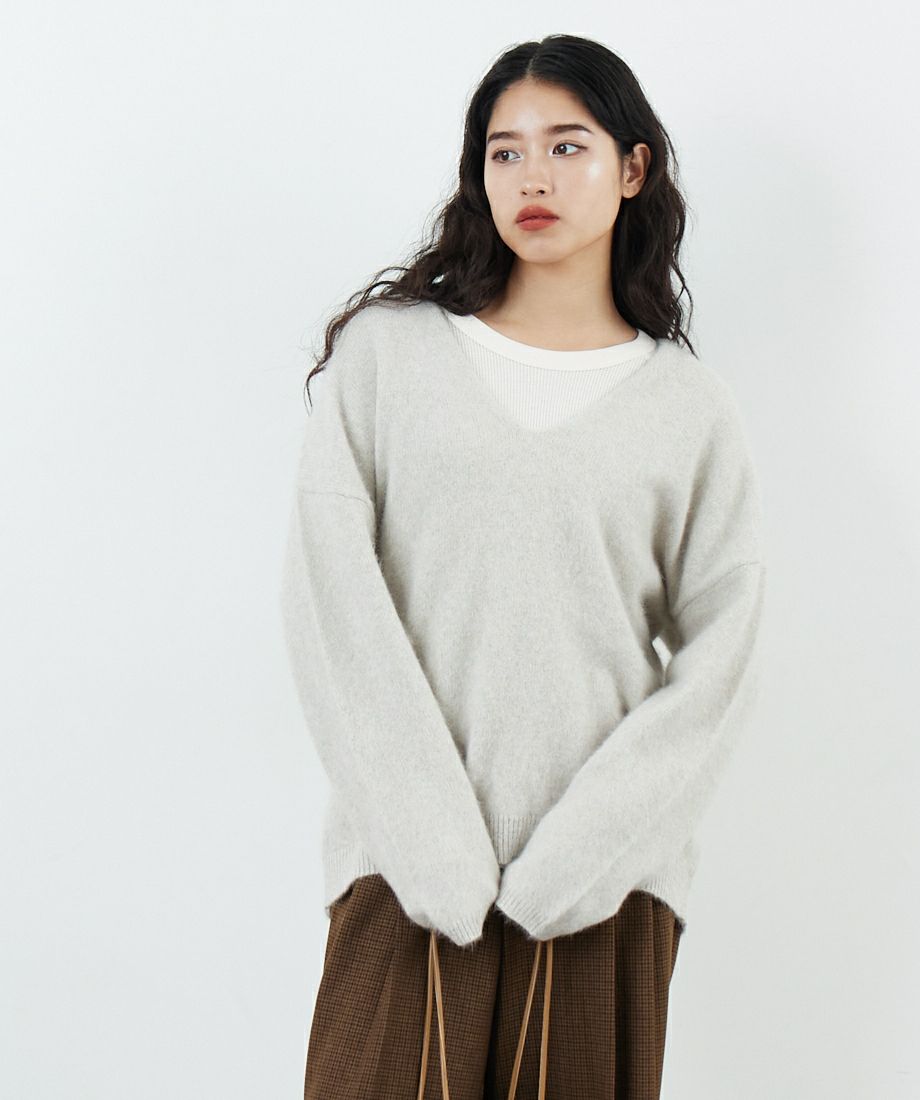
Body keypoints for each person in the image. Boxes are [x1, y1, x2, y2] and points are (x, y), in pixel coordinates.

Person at [280, 32, 767, 1100]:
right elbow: (331, 605)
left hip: (602, 897)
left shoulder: (688, 409)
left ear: (632, 168)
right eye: (504, 152)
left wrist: (581, 858)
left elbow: (721, 660)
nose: (531, 176)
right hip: (400, 878)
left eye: (566, 145)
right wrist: (430, 847)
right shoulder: (389, 359)